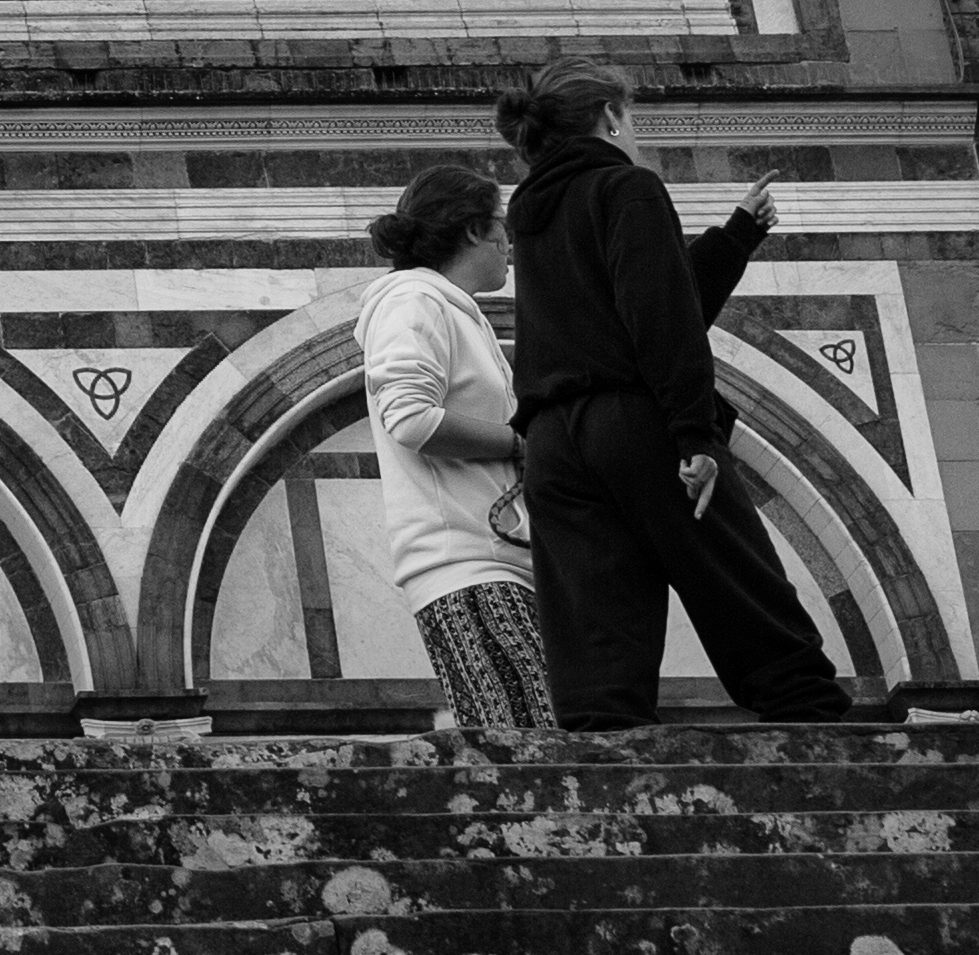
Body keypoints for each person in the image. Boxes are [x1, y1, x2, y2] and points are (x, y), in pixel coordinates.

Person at [496, 57, 854, 727]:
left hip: (551, 441)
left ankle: (604, 763)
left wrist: (736, 235)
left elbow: (638, 306)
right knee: (736, 579)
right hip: (638, 423)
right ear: (609, 117)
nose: (635, 132)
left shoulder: (529, 213)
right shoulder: (627, 187)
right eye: (630, 117)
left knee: (598, 636)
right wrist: (694, 434)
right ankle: (815, 721)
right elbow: (658, 318)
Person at [355, 164, 554, 739]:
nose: (509, 243)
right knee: (528, 748)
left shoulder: (450, 308)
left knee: (538, 740)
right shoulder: (413, 299)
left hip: (500, 563)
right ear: (472, 231)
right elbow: (411, 419)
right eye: (502, 225)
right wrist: (522, 443)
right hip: (464, 567)